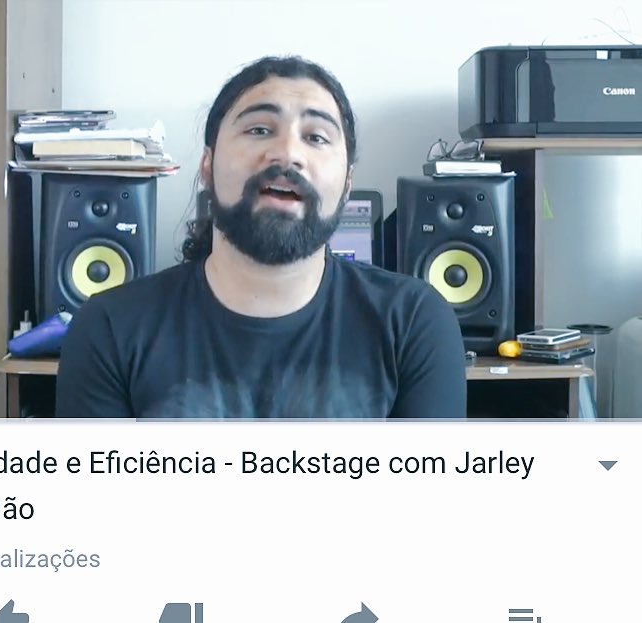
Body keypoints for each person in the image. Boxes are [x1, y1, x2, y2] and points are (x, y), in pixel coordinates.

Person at [56, 55, 466, 419]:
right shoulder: (110, 328)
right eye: (258, 129)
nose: (287, 153)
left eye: (316, 137)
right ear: (207, 165)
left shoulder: (414, 323)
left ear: (346, 184)